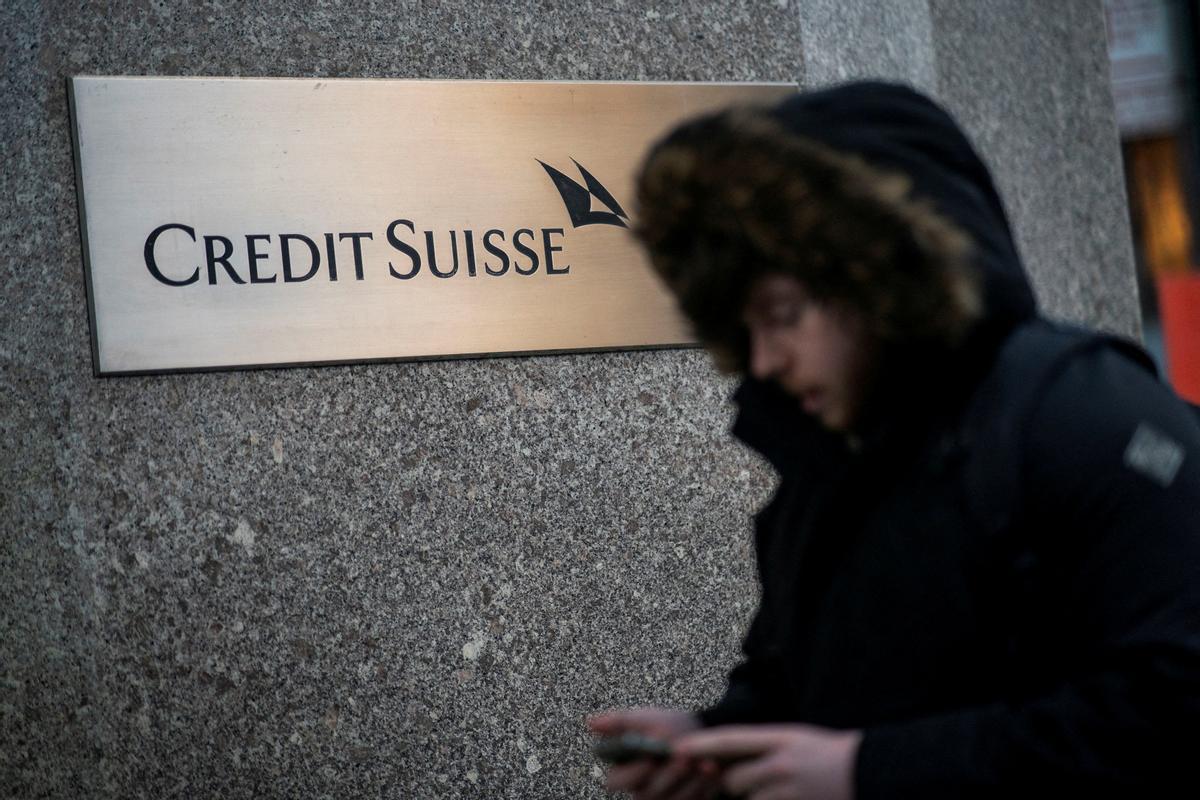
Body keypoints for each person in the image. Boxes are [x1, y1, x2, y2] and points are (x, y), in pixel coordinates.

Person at [588, 82, 1200, 799]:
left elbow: (1171, 704)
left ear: (875, 276)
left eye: (783, 314)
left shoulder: (1084, 412)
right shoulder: (829, 464)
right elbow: (805, 681)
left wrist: (866, 771)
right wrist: (716, 742)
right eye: (746, 328)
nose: (763, 361)